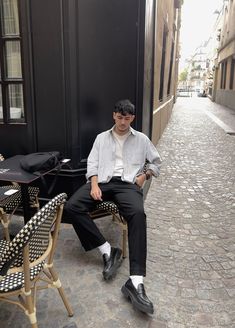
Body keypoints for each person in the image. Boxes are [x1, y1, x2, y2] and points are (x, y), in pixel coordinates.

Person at [65, 99, 162, 314]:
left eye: (127, 119)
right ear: (113, 116)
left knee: (138, 214)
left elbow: (156, 163)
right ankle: (108, 250)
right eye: (119, 117)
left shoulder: (142, 140)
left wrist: (144, 176)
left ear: (132, 118)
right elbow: (92, 163)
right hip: (103, 181)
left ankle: (135, 282)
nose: (123, 123)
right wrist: (94, 184)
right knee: (72, 207)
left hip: (128, 184)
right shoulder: (101, 138)